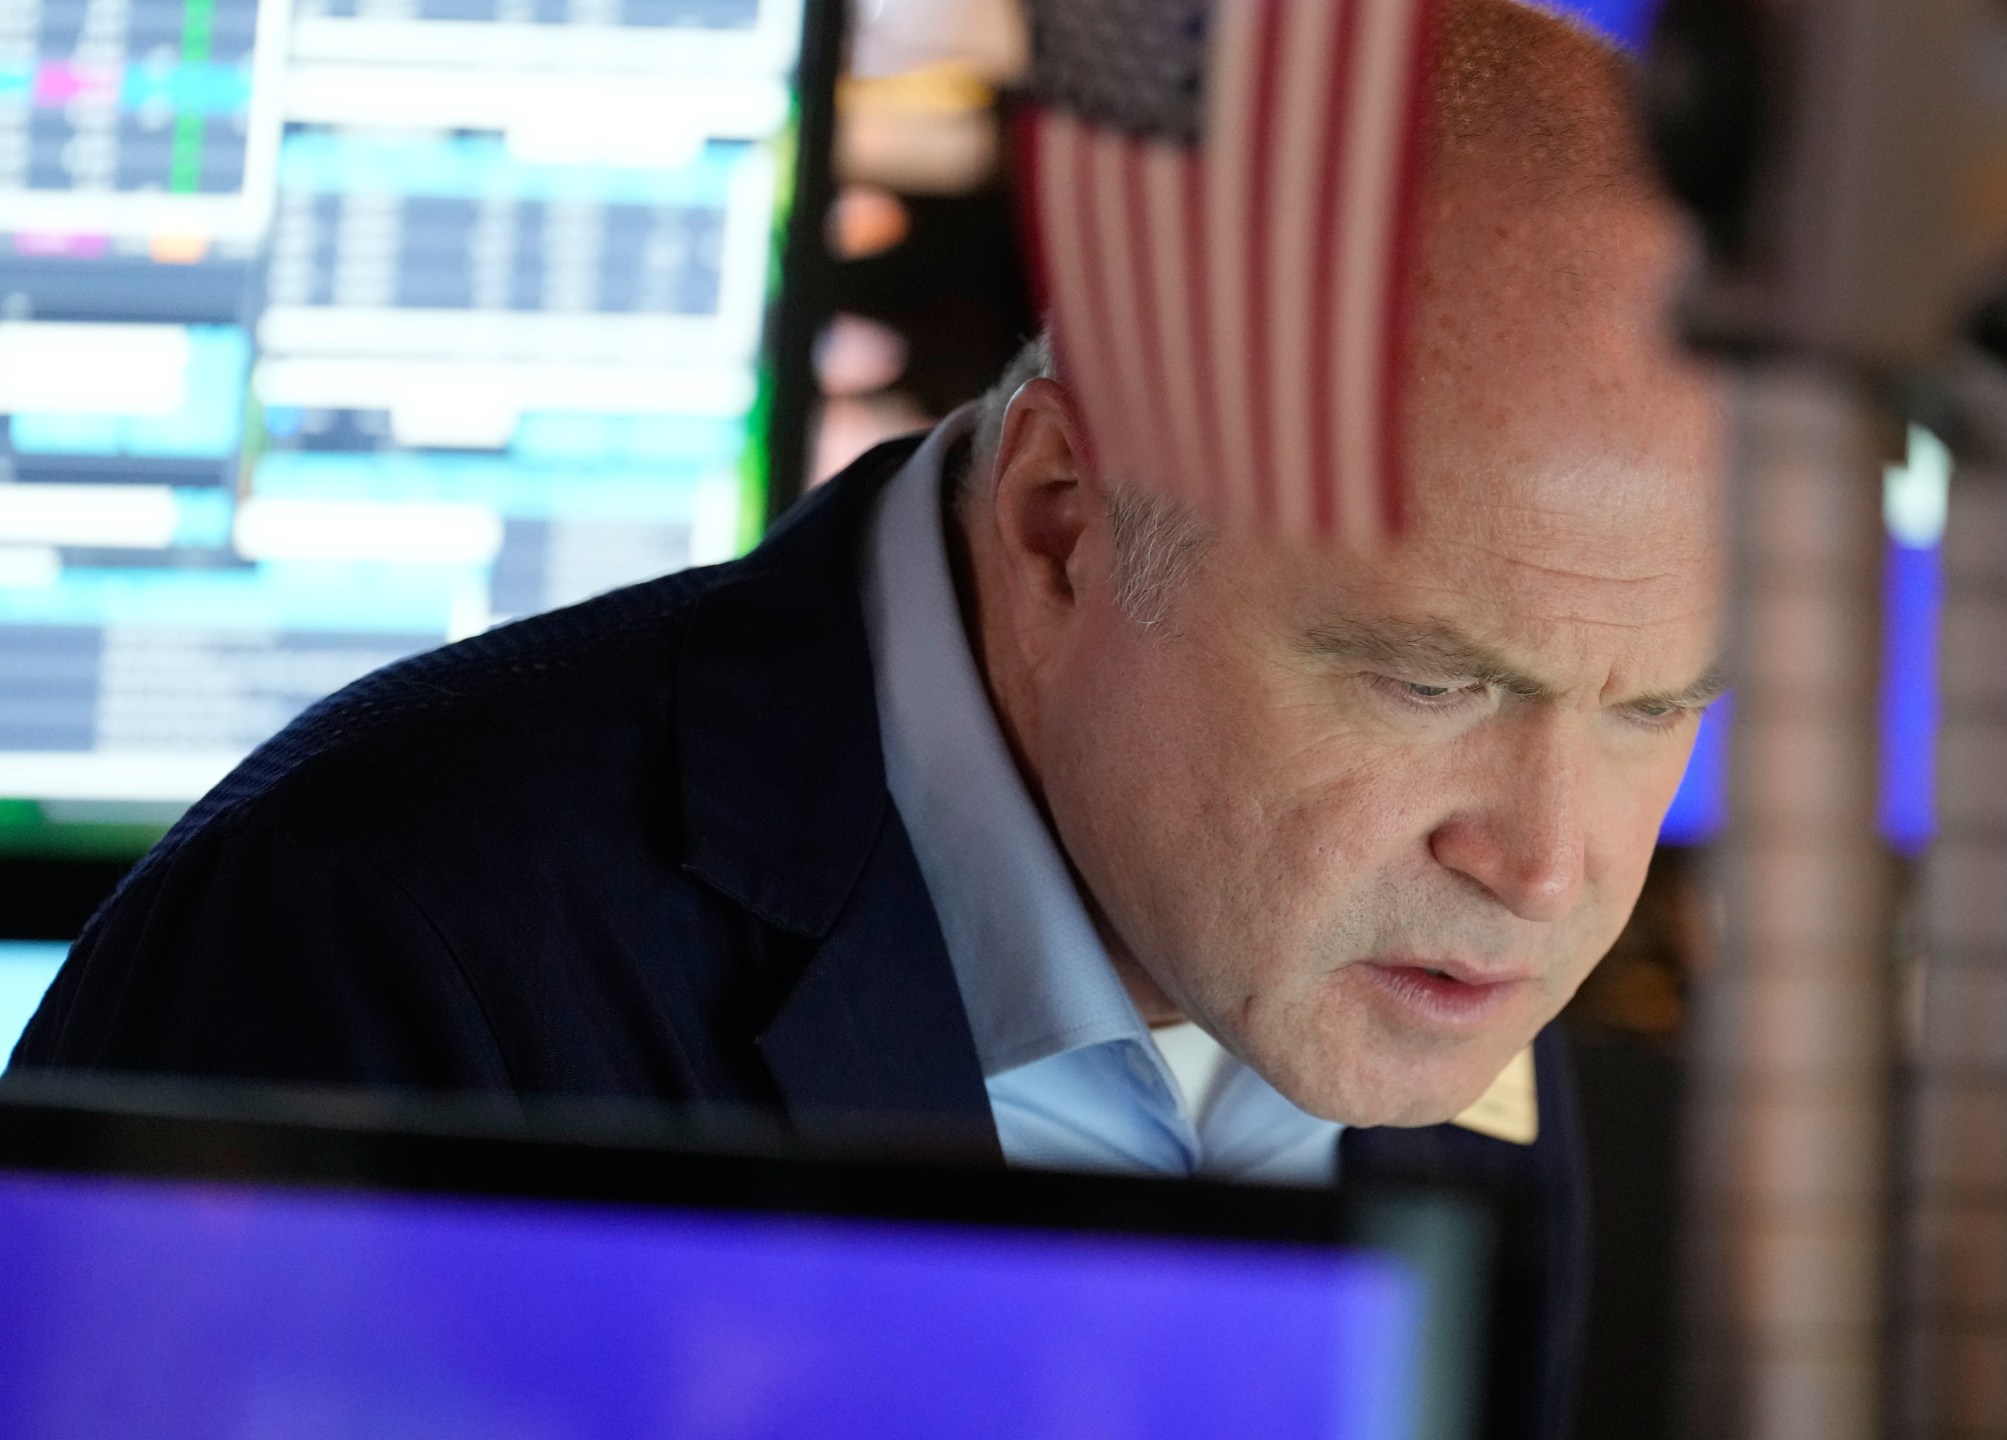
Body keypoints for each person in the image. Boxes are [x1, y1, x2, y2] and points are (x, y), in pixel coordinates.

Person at [11, 1, 1721, 1431]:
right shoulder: (381, 965)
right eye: (1428, 683)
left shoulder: (1425, 957)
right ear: (1066, 514)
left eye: (1659, 708)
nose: (1552, 864)